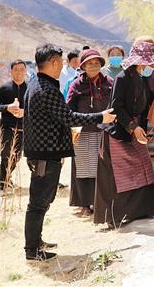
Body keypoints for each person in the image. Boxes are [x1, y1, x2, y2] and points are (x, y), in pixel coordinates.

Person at [23, 44, 116, 261]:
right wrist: (100, 116)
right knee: (38, 204)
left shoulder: (36, 83)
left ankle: (36, 242)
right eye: (60, 62)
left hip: (43, 152)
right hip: (45, 155)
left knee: (41, 201)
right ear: (54, 62)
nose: (62, 66)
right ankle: (32, 250)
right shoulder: (47, 89)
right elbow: (69, 117)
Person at [94, 41, 154, 228]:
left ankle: (141, 210)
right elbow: (116, 107)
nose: (151, 66)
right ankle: (115, 216)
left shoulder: (142, 79)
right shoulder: (122, 78)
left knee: (143, 168)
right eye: (149, 62)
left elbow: (148, 103)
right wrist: (133, 127)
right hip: (119, 132)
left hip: (135, 130)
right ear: (140, 62)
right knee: (119, 175)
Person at [66, 49, 113, 216]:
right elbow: (69, 109)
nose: (93, 66)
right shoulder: (76, 85)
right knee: (83, 168)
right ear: (83, 66)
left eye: (96, 63)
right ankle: (84, 203)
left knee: (101, 167)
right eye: (89, 63)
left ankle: (100, 201)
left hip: (104, 130)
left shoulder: (109, 82)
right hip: (81, 131)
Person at [0, 60, 28, 191]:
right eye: (16, 69)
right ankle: (3, 183)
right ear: (11, 71)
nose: (19, 72)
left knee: (16, 156)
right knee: (6, 155)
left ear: (25, 71)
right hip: (7, 128)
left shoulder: (30, 89)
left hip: (23, 129)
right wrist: (7, 108)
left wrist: (24, 112)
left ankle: (8, 176)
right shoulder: (4, 88)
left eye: (21, 69)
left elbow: (35, 107)